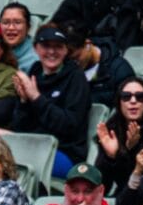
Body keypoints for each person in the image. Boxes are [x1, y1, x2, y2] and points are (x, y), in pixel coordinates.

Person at [11, 25, 93, 177]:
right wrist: (23, 102)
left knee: (8, 163)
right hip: (33, 146)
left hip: (64, 152)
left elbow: (69, 125)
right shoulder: (34, 73)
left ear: (66, 50)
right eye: (46, 46)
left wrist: (36, 98)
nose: (51, 52)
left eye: (58, 47)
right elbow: (20, 128)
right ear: (36, 48)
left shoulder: (76, 78)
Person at [95, 77, 143, 190]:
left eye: (140, 97)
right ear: (119, 102)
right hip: (123, 193)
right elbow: (103, 185)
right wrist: (112, 157)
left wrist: (130, 149)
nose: (133, 101)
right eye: (126, 96)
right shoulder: (112, 128)